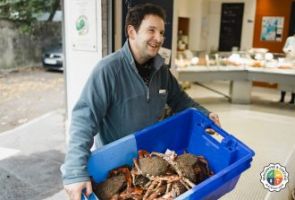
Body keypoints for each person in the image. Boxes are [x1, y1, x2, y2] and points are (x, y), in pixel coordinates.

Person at [61, 3, 221, 200]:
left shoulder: (161, 70)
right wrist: (75, 171)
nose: (159, 38)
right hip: (117, 164)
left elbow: (180, 100)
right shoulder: (108, 70)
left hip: (153, 158)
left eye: (162, 32)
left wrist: (206, 115)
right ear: (132, 32)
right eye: (151, 30)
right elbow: (84, 120)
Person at [279, 33, 295, 104]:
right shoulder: (289, 39)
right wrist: (288, 51)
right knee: (284, 81)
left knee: (293, 82)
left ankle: (292, 99)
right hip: (287, 60)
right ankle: (282, 98)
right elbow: (284, 48)